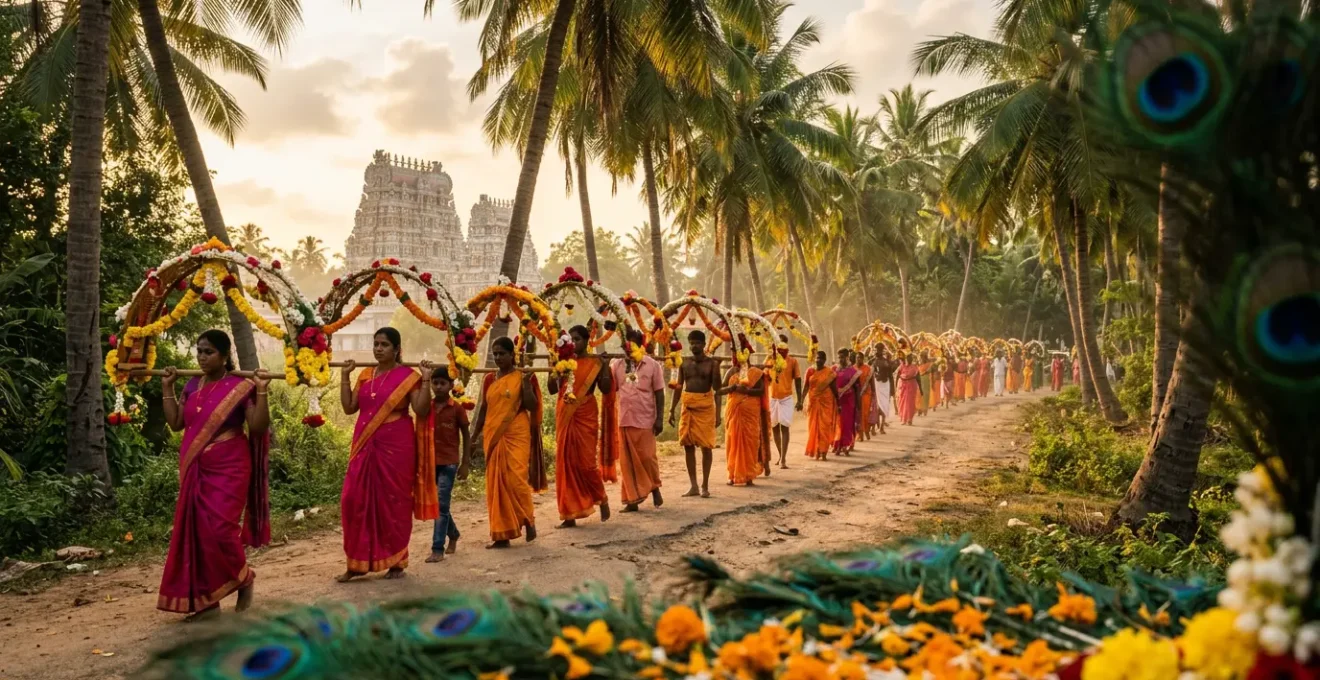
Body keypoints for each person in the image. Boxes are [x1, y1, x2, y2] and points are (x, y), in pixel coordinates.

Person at [157, 330, 271, 619]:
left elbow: (257, 428)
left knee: (221, 530)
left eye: (209, 352)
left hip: (230, 466)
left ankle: (244, 578)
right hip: (197, 467)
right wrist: (167, 388)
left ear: (224, 355)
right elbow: (175, 423)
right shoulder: (192, 385)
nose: (202, 357)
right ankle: (208, 602)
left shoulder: (240, 387)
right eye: (199, 352)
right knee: (196, 533)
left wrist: (262, 390)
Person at [338, 327, 434, 582]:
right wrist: (345, 377)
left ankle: (396, 560)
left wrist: (425, 379)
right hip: (364, 444)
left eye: (384, 345)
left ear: (396, 350)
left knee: (394, 502)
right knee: (353, 500)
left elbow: (422, 410)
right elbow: (349, 407)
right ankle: (356, 563)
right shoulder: (366, 375)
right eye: (376, 343)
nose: (378, 348)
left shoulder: (408, 377)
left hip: (396, 448)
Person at [470, 336, 545, 548]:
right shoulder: (489, 379)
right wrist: (474, 437)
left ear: (512, 355)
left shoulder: (524, 376)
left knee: (516, 479)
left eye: (502, 353)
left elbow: (531, 405)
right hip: (494, 436)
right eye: (495, 354)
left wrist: (526, 385)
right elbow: (484, 409)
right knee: (496, 483)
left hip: (517, 432)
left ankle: (528, 519)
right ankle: (502, 534)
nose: (498, 357)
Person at [548, 325, 615, 528]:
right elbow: (552, 390)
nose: (574, 343)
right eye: (572, 339)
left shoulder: (595, 362)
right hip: (565, 412)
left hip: (585, 413)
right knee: (565, 463)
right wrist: (554, 367)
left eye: (578, 339)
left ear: (587, 341)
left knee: (586, 463)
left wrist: (604, 366)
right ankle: (569, 514)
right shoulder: (565, 361)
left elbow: (605, 389)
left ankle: (601, 497)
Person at [610, 329, 665, 512]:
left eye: (632, 343)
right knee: (627, 463)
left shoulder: (652, 365)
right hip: (625, 419)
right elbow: (609, 388)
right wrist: (603, 365)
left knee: (648, 458)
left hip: (646, 419)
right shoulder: (616, 365)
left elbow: (659, 392)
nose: (628, 347)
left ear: (640, 345)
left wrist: (659, 419)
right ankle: (632, 501)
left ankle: (655, 487)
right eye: (626, 343)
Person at [668, 330, 722, 498]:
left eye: (697, 343)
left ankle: (705, 485)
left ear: (704, 344)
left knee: (707, 447)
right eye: (691, 343)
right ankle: (694, 486)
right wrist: (671, 409)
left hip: (706, 408)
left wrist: (718, 414)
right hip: (688, 407)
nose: (694, 346)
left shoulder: (712, 364)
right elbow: (678, 387)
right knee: (688, 446)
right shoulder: (684, 363)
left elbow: (718, 390)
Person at [426, 370, 470, 563]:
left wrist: (465, 463)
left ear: (451, 385)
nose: (438, 386)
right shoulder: (427, 407)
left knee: (441, 505)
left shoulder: (457, 408)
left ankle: (437, 548)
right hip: (430, 462)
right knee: (438, 504)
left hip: (450, 463)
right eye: (435, 383)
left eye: (443, 383)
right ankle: (453, 533)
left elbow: (466, 436)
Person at [719, 360, 766, 486]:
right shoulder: (732, 371)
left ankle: (748, 475)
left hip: (750, 413)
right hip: (733, 411)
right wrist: (732, 388)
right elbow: (720, 389)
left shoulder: (756, 372)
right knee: (732, 441)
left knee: (750, 443)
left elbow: (761, 391)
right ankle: (732, 475)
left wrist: (745, 391)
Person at [768, 334, 803, 469]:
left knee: (785, 427)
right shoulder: (770, 359)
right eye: (779, 344)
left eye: (783, 344)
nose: (781, 346)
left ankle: (783, 459)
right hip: (773, 397)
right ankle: (780, 454)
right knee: (775, 427)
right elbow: (765, 377)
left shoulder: (792, 361)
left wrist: (799, 399)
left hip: (786, 398)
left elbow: (798, 380)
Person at [803, 351, 839, 460]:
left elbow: (834, 388)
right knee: (813, 427)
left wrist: (838, 402)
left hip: (826, 402)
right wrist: (800, 400)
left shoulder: (829, 372)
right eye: (817, 358)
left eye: (821, 359)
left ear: (824, 360)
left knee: (825, 427)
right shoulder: (810, 371)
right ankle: (816, 451)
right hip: (813, 402)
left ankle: (823, 452)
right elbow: (806, 387)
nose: (818, 360)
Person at [832, 349, 860, 455]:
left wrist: (858, 405)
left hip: (849, 401)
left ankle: (845, 445)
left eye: (842, 357)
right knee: (838, 424)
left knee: (847, 424)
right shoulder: (834, 369)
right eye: (839, 357)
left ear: (847, 357)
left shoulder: (853, 372)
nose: (840, 359)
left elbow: (857, 389)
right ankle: (837, 445)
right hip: (837, 400)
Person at [872, 348, 895, 434]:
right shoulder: (874, 362)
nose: (877, 352)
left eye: (878, 350)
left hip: (885, 385)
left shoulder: (886, 362)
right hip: (877, 385)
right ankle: (874, 427)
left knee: (884, 405)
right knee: (876, 407)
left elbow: (890, 376)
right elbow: (872, 374)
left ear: (881, 352)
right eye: (876, 350)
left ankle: (881, 427)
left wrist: (892, 389)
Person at [897, 354, 921, 426]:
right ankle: (903, 419)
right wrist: (897, 385)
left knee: (910, 403)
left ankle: (909, 419)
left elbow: (918, 377)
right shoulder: (901, 366)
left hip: (911, 387)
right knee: (902, 402)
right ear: (905, 359)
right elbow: (897, 375)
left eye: (910, 358)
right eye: (908, 358)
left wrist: (921, 389)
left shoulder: (915, 367)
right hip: (902, 387)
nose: (909, 360)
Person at [855, 351, 874, 440]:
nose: (858, 359)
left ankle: (866, 431)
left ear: (863, 359)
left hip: (866, 394)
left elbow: (871, 381)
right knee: (858, 414)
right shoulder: (853, 368)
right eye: (857, 357)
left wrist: (873, 393)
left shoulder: (868, 369)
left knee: (865, 414)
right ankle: (860, 434)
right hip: (856, 394)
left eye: (860, 358)